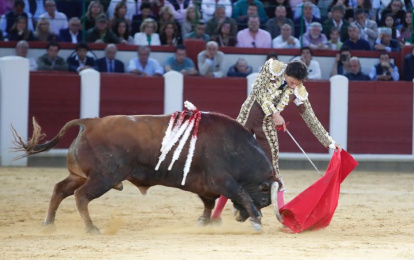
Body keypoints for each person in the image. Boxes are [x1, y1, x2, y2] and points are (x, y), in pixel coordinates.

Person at [211, 56, 341, 222]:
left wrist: (329, 142)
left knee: (273, 171)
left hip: (266, 125)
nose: (293, 86)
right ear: (286, 73)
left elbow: (311, 118)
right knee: (232, 164)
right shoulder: (273, 67)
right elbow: (258, 90)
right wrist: (275, 113)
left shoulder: (298, 90)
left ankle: (282, 217)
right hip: (247, 116)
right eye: (292, 82)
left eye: (297, 84)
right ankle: (215, 214)